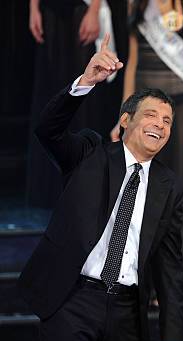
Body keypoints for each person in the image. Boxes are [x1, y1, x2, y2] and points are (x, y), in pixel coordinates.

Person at [18, 37, 183, 341]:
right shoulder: (90, 153)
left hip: (127, 314)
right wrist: (86, 82)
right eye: (151, 116)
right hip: (71, 301)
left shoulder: (169, 186)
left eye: (168, 121)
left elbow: (170, 268)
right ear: (125, 121)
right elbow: (48, 130)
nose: (160, 125)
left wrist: (172, 339)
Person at [112, 0, 183, 323]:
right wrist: (124, 117)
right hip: (142, 119)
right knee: (141, 200)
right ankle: (143, 287)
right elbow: (131, 63)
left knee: (181, 204)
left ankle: (175, 293)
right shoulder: (137, 3)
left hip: (182, 112)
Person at [27, 0, 127, 209]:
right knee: (54, 95)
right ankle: (51, 193)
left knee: (84, 97)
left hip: (83, 8)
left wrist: (94, 8)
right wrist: (34, 8)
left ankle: (85, 189)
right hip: (51, 10)